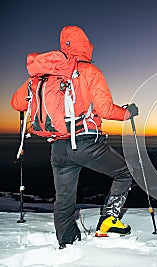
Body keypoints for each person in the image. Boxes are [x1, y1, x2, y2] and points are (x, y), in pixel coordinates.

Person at [10, 26, 139, 249]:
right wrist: (128, 113)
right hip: (86, 143)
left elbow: (16, 103)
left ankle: (67, 243)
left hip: (58, 147)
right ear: (86, 45)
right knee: (125, 173)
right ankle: (108, 222)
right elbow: (106, 110)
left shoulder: (42, 74)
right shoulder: (89, 71)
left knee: (64, 199)